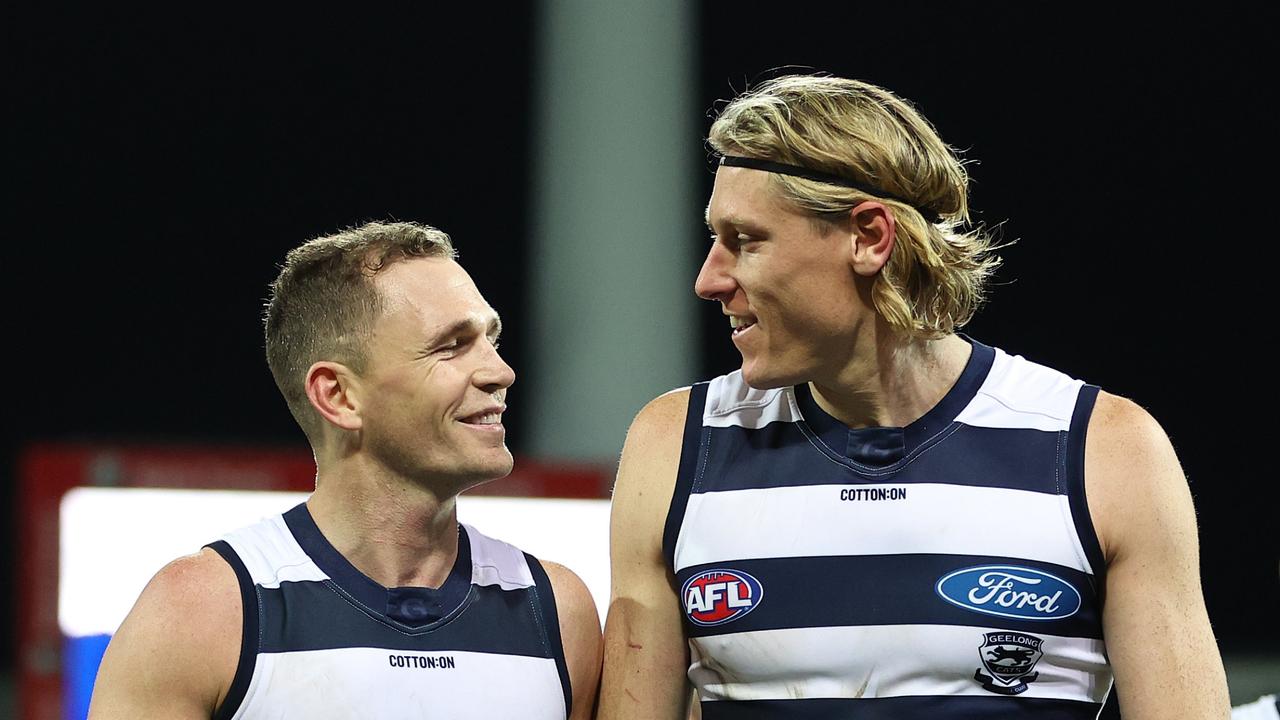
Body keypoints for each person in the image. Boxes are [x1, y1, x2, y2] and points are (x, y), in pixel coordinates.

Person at [599, 75, 1230, 718]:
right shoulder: (673, 445)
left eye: (746, 240)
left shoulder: (1106, 450)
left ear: (870, 237)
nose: (710, 279)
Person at [88, 221, 601, 719]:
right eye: (451, 346)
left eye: (492, 340)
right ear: (338, 395)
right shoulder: (200, 613)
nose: (500, 372)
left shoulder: (557, 611)